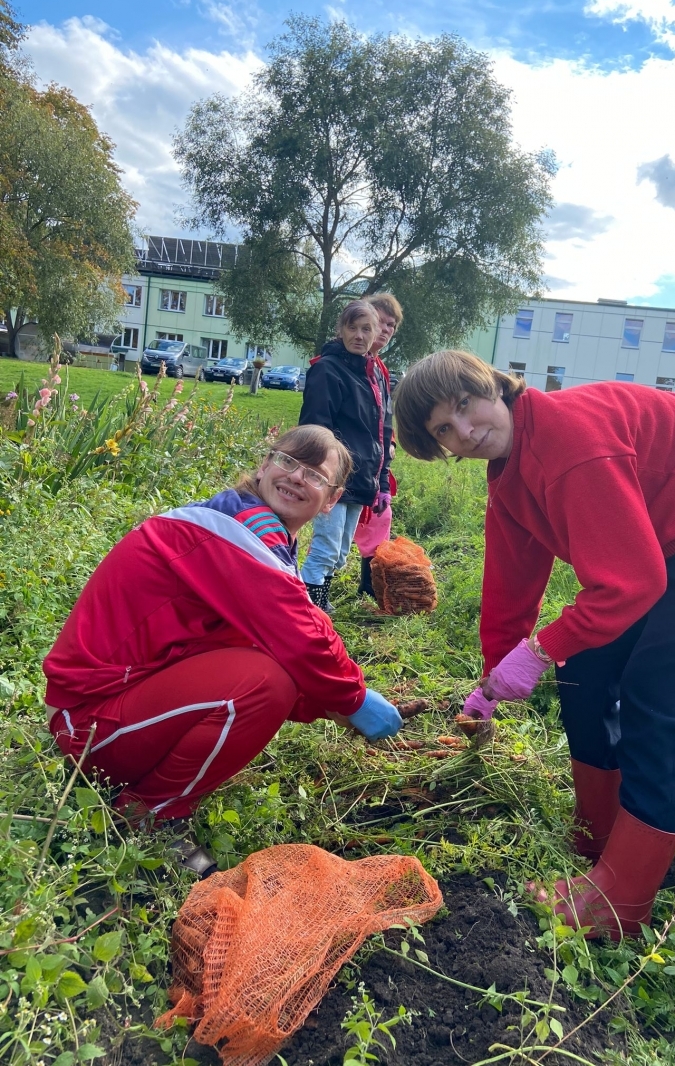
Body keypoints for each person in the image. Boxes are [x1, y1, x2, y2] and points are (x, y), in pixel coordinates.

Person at [393, 350, 675, 939]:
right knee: (583, 663)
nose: (466, 430)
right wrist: (489, 685)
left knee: (657, 695)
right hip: (670, 540)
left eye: (464, 404)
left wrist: (538, 651)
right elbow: (510, 588)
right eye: (443, 430)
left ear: (492, 386)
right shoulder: (508, 474)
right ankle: (599, 837)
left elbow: (632, 583)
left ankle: (621, 902)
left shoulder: (566, 440)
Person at [43, 425, 403, 876]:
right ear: (264, 465)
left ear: (332, 499)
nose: (295, 477)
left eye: (314, 474)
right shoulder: (239, 528)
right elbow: (302, 634)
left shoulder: (256, 526)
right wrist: (353, 699)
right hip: (88, 726)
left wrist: (327, 706)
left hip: (118, 708)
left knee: (273, 669)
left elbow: (269, 639)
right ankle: (152, 816)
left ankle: (148, 795)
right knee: (264, 684)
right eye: (287, 461)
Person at [298, 301, 392, 613]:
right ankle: (309, 609)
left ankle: (319, 600)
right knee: (325, 549)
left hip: (361, 477)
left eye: (367, 329)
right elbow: (316, 427)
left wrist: (381, 484)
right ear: (341, 330)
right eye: (352, 327)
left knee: (339, 552)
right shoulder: (327, 369)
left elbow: (381, 432)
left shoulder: (374, 375)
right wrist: (321, 476)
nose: (359, 335)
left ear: (376, 333)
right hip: (332, 478)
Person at [353, 293, 404, 601]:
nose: (384, 330)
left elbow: (383, 416)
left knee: (379, 516)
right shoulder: (347, 365)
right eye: (380, 322)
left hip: (374, 462)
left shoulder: (379, 369)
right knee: (338, 528)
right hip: (348, 457)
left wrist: (391, 442)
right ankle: (317, 587)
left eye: (391, 325)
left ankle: (369, 584)